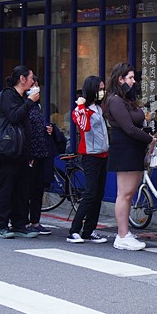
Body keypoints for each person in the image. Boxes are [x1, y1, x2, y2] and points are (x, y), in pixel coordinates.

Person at [105, 62, 153, 251]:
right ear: (120, 79)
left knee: (128, 194)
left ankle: (125, 233)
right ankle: (122, 234)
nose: (134, 81)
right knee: (124, 194)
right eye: (131, 78)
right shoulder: (115, 100)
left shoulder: (125, 99)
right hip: (125, 149)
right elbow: (129, 128)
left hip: (132, 149)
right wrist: (150, 139)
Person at [0, 65, 40, 239]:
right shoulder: (8, 95)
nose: (33, 82)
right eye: (31, 78)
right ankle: (3, 225)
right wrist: (30, 102)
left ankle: (19, 224)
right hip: (9, 150)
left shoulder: (23, 97)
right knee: (7, 187)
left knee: (22, 188)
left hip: (23, 150)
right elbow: (13, 116)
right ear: (22, 79)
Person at [68, 75, 109, 243]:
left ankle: (89, 230)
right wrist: (81, 106)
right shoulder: (81, 109)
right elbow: (84, 126)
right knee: (90, 194)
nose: (102, 92)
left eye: (103, 88)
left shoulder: (98, 108)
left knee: (98, 194)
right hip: (90, 155)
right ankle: (74, 230)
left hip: (103, 155)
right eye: (99, 89)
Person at [24, 89, 64, 236]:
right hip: (29, 153)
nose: (36, 89)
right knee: (27, 189)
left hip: (41, 152)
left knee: (38, 189)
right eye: (31, 84)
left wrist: (49, 129)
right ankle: (24, 221)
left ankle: (35, 221)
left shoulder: (38, 107)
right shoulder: (23, 104)